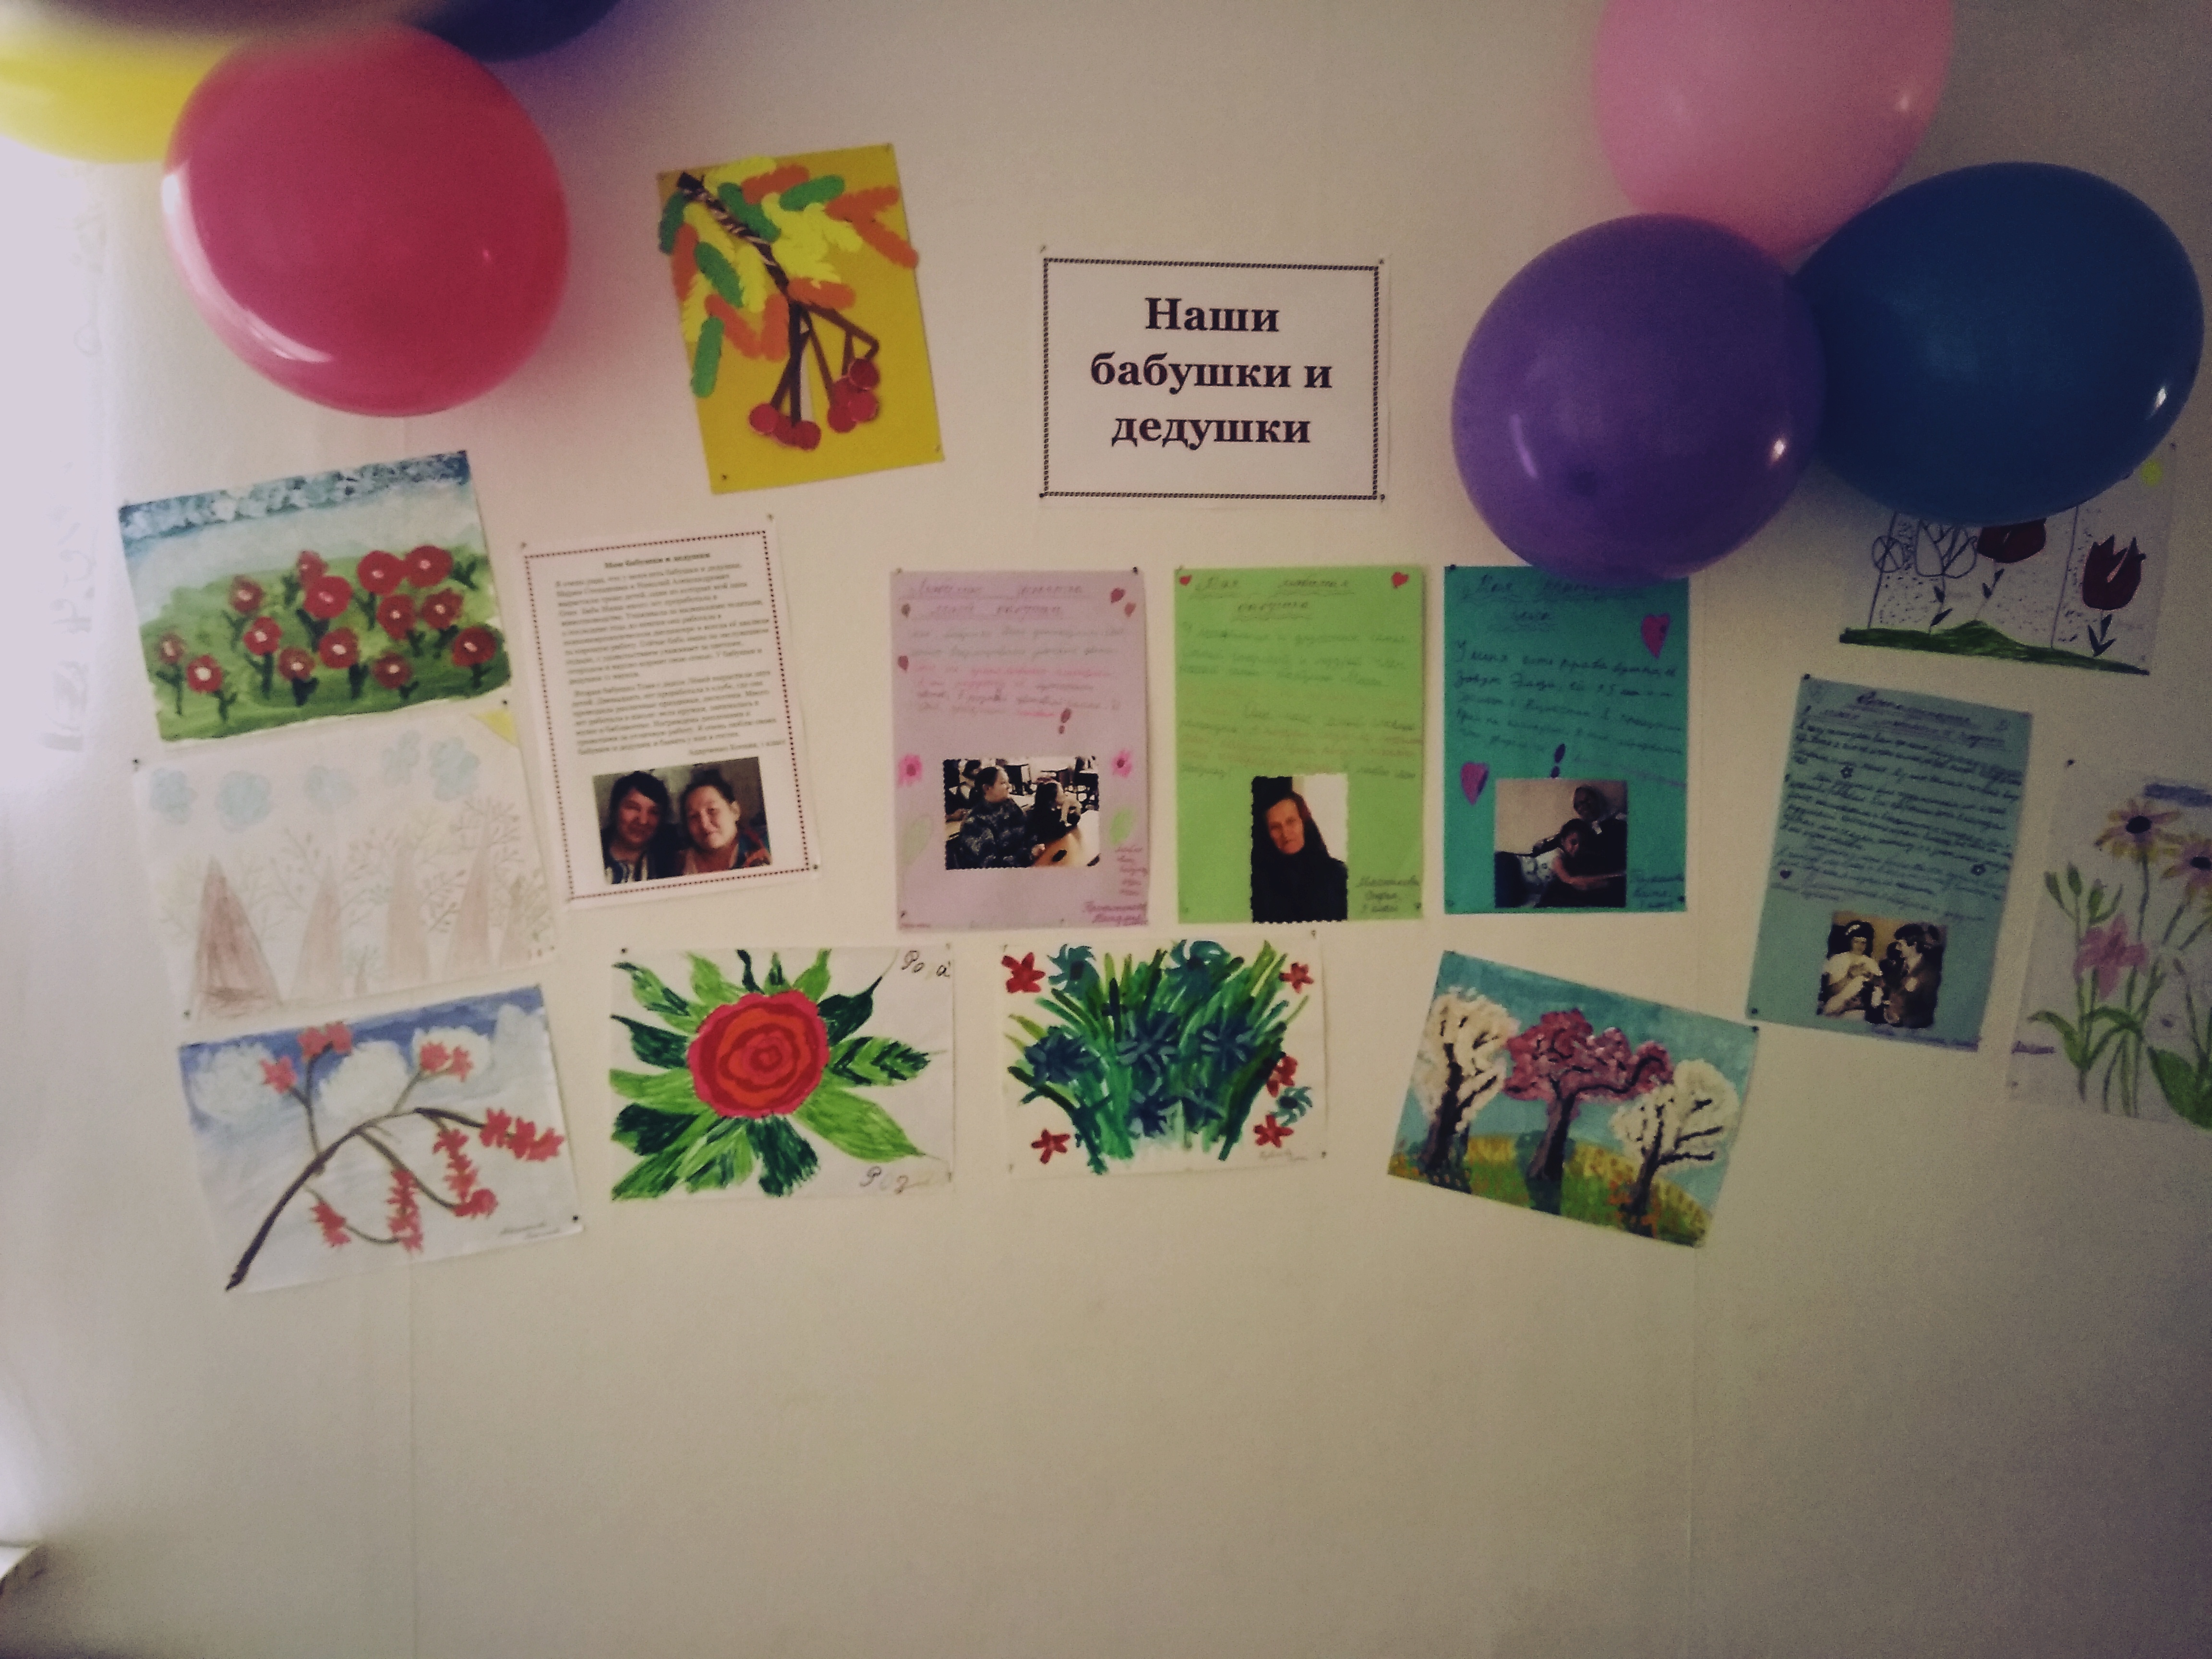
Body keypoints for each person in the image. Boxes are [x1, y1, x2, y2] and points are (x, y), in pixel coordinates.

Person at [1250, 781, 1348, 922]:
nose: (1285, 834)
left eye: (1291, 822)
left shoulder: (1337, 875)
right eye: (1275, 827)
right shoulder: (1258, 885)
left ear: (1304, 823)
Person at [677, 769, 770, 875]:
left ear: (735, 811)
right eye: (693, 816)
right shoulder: (678, 864)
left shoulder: (768, 845)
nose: (704, 824)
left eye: (712, 810)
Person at [948, 765, 1035, 868]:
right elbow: (991, 864)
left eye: (1008, 782)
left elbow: (1028, 832)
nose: (1009, 786)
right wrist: (1028, 856)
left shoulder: (1009, 805)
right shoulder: (975, 822)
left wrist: (1034, 847)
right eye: (1003, 783)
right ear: (987, 788)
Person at [601, 771, 678, 884]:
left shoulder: (674, 864)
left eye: (654, 812)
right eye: (633, 808)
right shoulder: (588, 856)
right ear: (615, 809)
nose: (643, 821)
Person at [1874, 924, 1943, 1029]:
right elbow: (1889, 988)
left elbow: (1930, 1014)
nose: (1897, 948)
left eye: (1900, 945)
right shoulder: (1898, 965)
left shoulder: (1930, 974)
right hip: (1885, 1021)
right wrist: (1879, 994)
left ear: (1914, 945)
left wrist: (1901, 1022)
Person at [1819, 920, 1881, 1018]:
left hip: (1859, 1009)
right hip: (1836, 1005)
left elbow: (1878, 988)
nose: (1860, 946)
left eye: (1864, 943)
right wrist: (1850, 976)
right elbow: (1829, 992)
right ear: (1850, 941)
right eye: (1856, 942)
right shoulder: (1837, 959)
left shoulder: (1871, 962)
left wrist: (1871, 978)